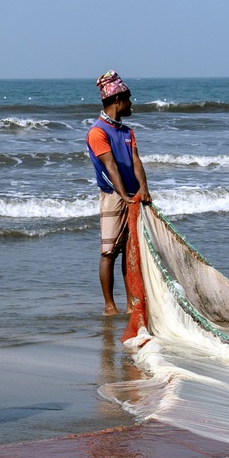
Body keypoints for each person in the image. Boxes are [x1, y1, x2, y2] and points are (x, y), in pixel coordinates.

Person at [86, 70, 152, 314]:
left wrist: (143, 189)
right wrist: (123, 195)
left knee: (129, 254)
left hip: (132, 196)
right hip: (114, 197)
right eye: (129, 99)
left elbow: (136, 161)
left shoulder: (127, 132)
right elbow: (110, 165)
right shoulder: (97, 131)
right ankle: (109, 306)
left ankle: (131, 306)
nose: (131, 104)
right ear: (117, 100)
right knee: (109, 252)